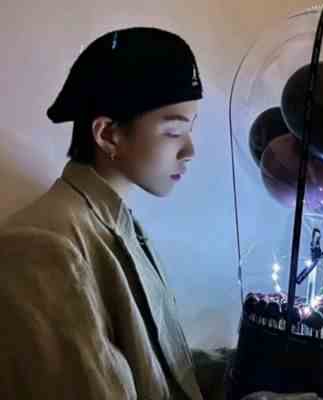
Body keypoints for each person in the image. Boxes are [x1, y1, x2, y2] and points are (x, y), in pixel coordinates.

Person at [0, 27, 229, 399]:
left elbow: (163, 373)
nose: (190, 150)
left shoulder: (117, 226)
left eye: (190, 130)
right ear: (108, 135)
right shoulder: (42, 247)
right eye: (174, 131)